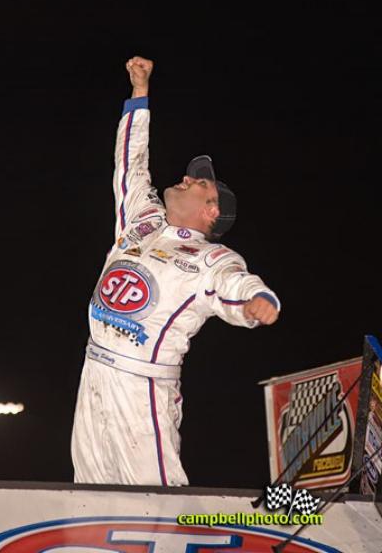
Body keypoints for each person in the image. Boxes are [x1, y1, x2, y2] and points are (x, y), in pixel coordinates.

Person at [71, 56, 280, 486]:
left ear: (211, 211)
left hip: (142, 388)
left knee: (156, 505)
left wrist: (257, 301)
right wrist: (139, 95)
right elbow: (129, 164)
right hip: (94, 373)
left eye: (199, 183)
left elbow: (235, 284)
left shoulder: (210, 258)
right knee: (87, 498)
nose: (186, 177)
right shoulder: (142, 217)